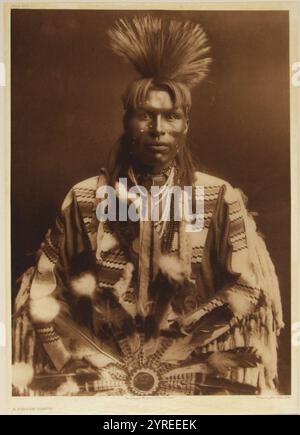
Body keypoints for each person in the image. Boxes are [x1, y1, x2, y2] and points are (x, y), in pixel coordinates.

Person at [12, 15, 284, 396]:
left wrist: (185, 340)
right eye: (146, 116)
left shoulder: (219, 197)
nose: (158, 130)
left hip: (193, 372)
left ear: (185, 124)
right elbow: (42, 289)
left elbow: (247, 286)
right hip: (100, 375)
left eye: (171, 116)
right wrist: (81, 361)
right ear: (127, 121)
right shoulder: (87, 198)